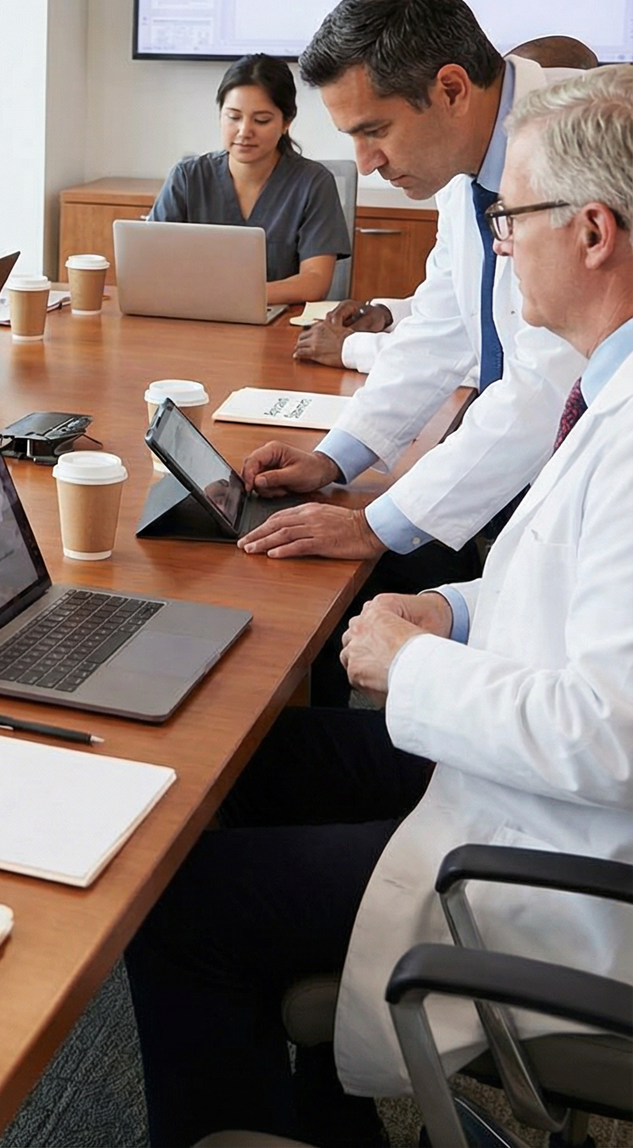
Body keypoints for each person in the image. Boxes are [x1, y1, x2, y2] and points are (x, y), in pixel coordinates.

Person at [125, 66, 633, 1147]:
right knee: (245, 759)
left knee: (173, 906)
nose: (496, 239)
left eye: (513, 216)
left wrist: (411, 669)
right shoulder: (608, 382)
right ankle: (320, 1115)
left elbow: (608, 735)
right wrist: (448, 609)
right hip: (514, 768)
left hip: (555, 857)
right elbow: (567, 583)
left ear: (591, 231)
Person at [236, 0, 583, 599]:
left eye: (375, 130)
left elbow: (544, 388)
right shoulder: (466, 153)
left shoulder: (575, 149)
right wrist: (337, 457)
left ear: (450, 89)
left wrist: (372, 526)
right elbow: (439, 327)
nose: (365, 162)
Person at [293, 34, 600, 372]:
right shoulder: (457, 174)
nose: (366, 164)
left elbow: (534, 371)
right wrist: (390, 313)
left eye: (377, 130)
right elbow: (455, 314)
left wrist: (355, 349)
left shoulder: (580, 171)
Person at [148, 53, 351, 305]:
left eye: (261, 120)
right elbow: (151, 266)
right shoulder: (187, 178)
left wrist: (232, 297)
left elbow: (314, 281)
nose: (244, 131)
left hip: (277, 324)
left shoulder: (313, 183)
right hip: (194, 318)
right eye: (233, 117)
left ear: (286, 122)